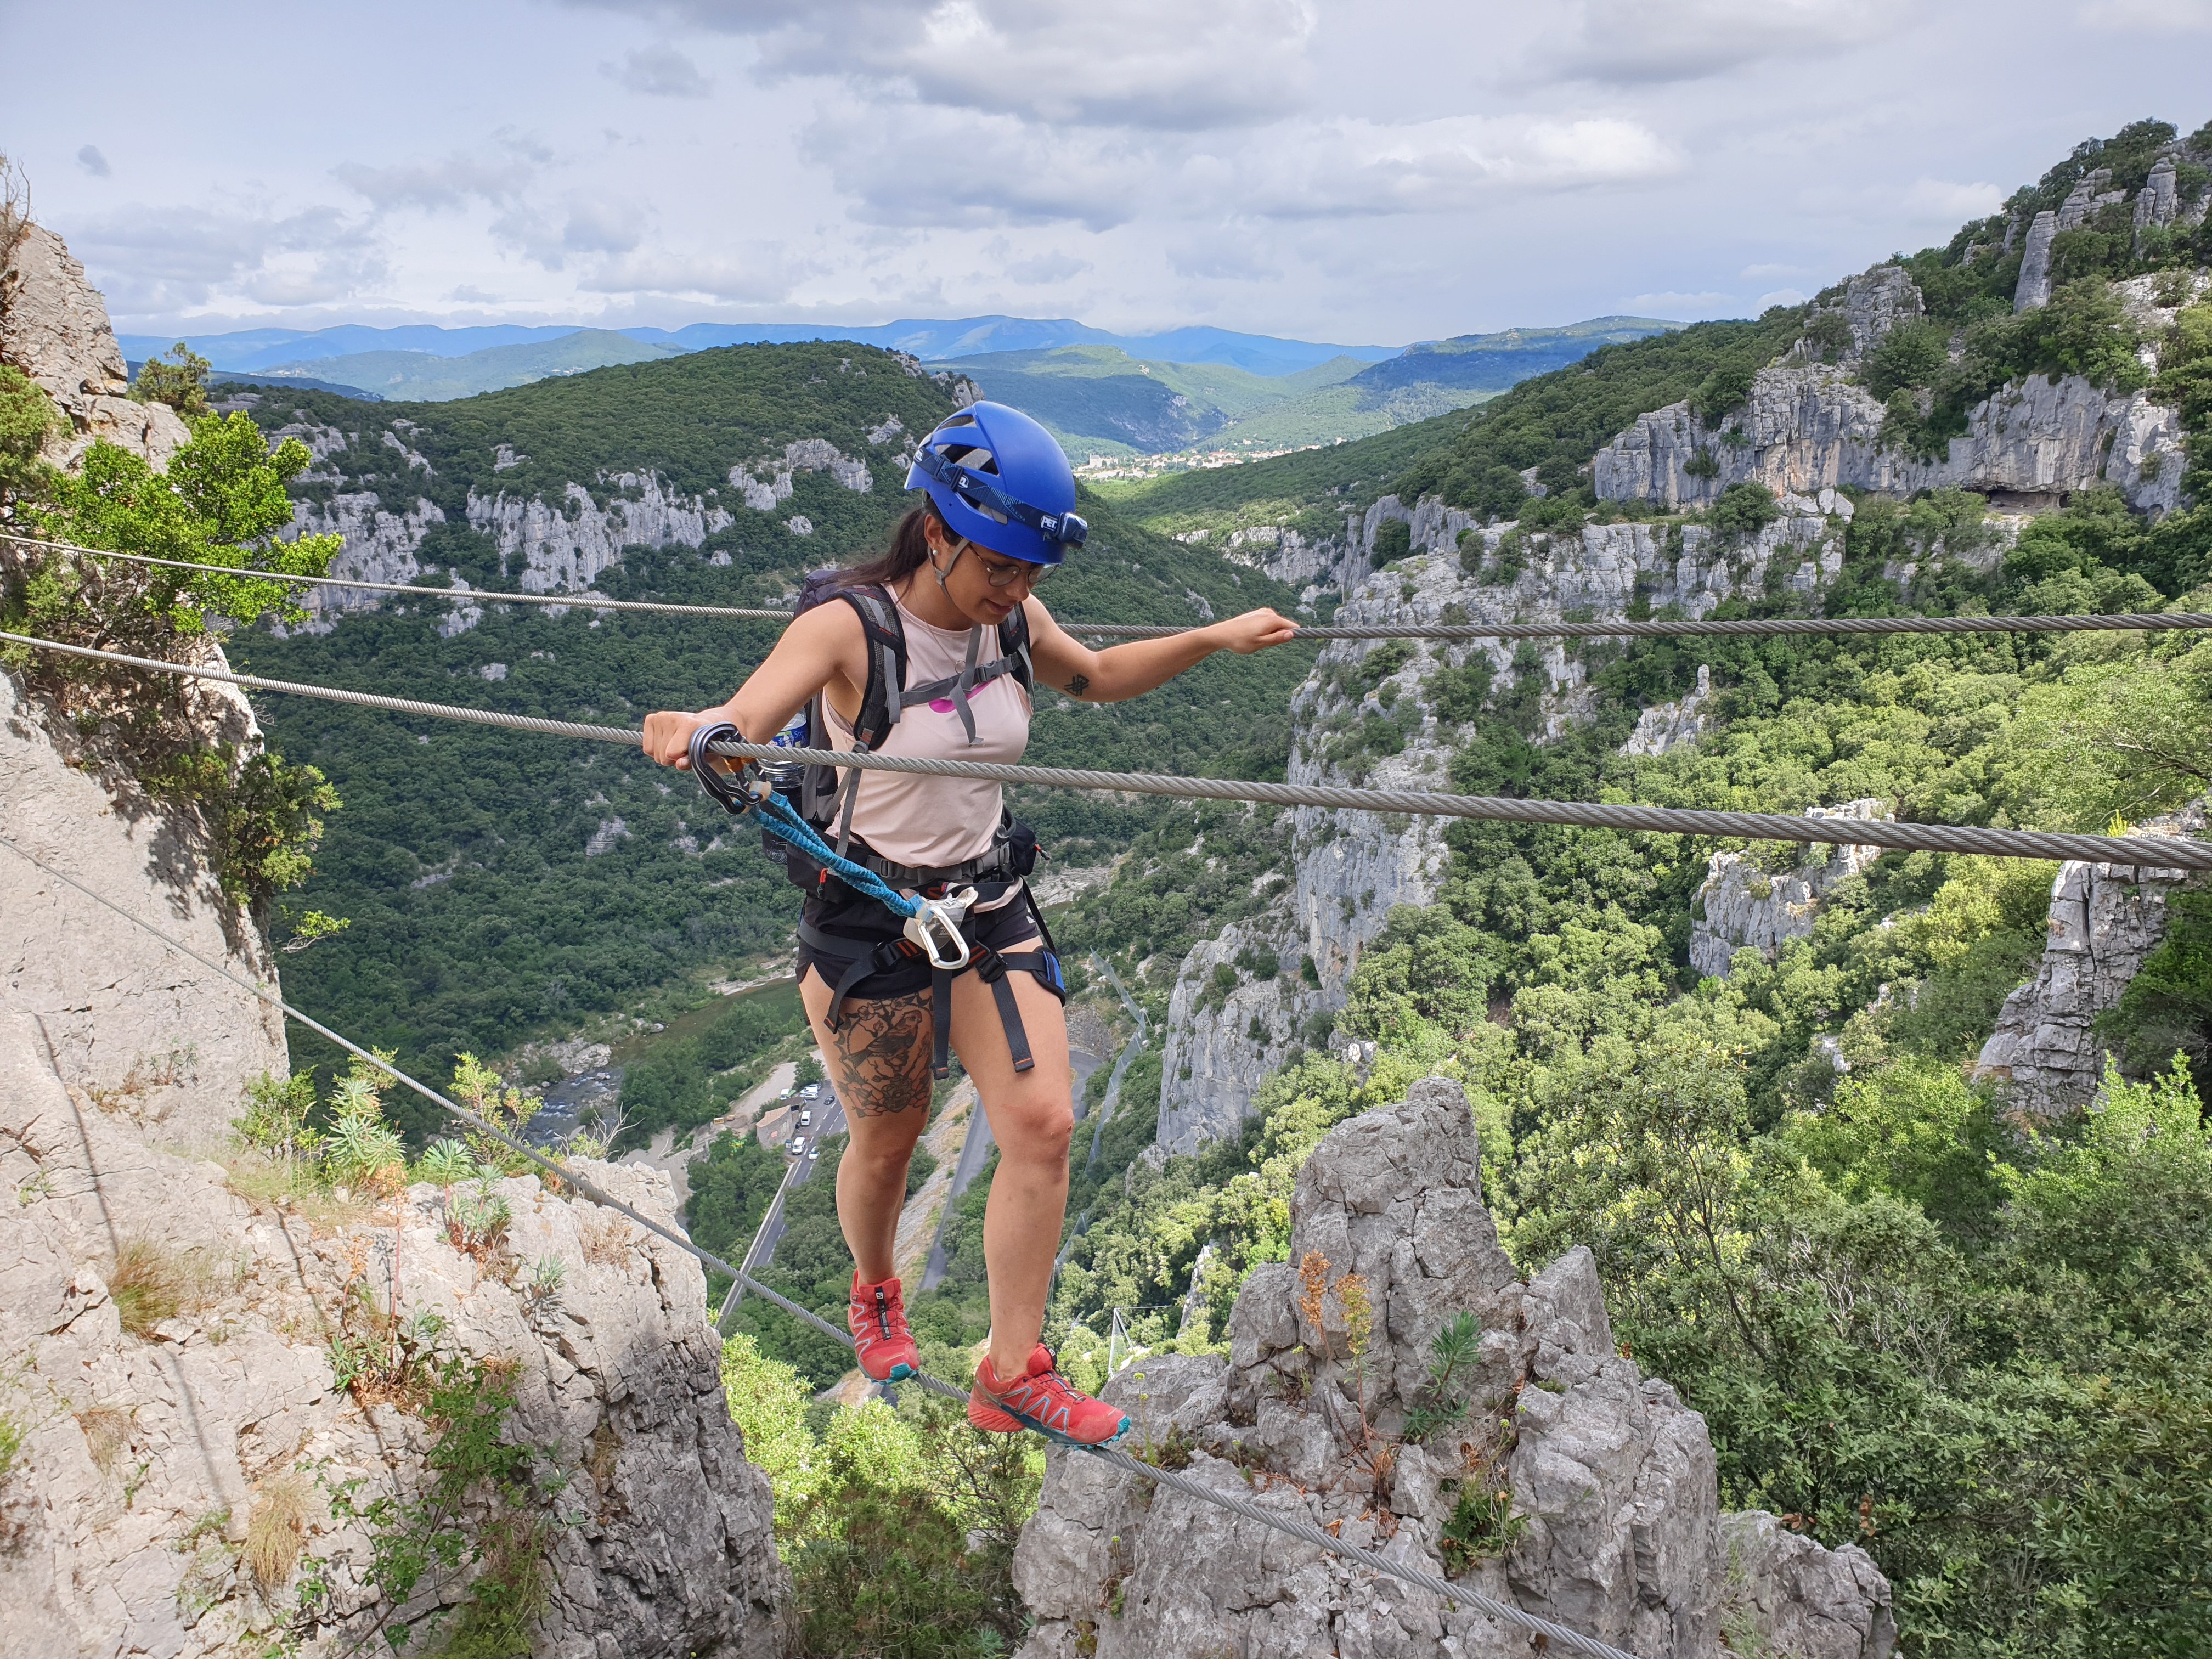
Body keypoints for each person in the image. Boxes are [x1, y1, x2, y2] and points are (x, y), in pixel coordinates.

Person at [644, 402, 1295, 1446]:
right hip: (872, 920)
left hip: (987, 906)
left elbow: (1100, 678)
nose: (1017, 589)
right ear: (938, 533)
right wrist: (689, 732)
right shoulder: (849, 628)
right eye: (1001, 565)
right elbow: (745, 723)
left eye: (1032, 572)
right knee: (889, 1144)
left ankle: (1011, 1371)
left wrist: (1216, 637)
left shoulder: (1012, 622)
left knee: (1045, 1127)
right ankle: (875, 1292)